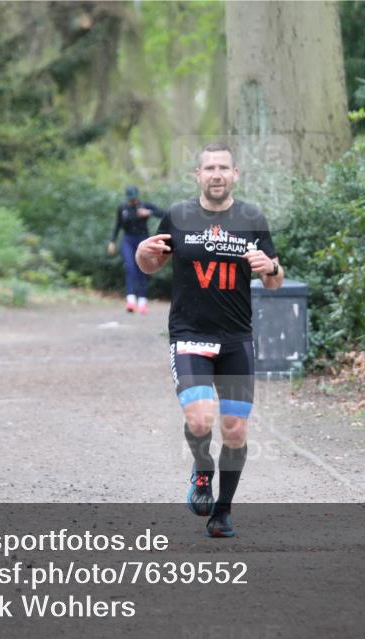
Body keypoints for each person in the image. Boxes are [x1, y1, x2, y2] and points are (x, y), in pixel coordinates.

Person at [135, 143, 283, 537]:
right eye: (209, 168)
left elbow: (274, 279)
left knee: (235, 430)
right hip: (190, 335)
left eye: (223, 168)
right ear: (197, 176)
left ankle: (223, 511)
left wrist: (270, 266)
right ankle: (202, 468)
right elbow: (151, 264)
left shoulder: (252, 217)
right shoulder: (179, 216)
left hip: (236, 339)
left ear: (236, 174)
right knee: (200, 419)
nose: (216, 174)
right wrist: (140, 252)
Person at [108, 185, 164, 314]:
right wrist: (112, 241)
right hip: (128, 240)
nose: (132, 200)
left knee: (142, 269)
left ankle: (142, 301)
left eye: (134, 198)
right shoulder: (123, 208)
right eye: (130, 198)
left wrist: (149, 213)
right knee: (130, 267)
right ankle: (131, 300)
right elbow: (118, 225)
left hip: (142, 240)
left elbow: (164, 214)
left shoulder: (145, 206)